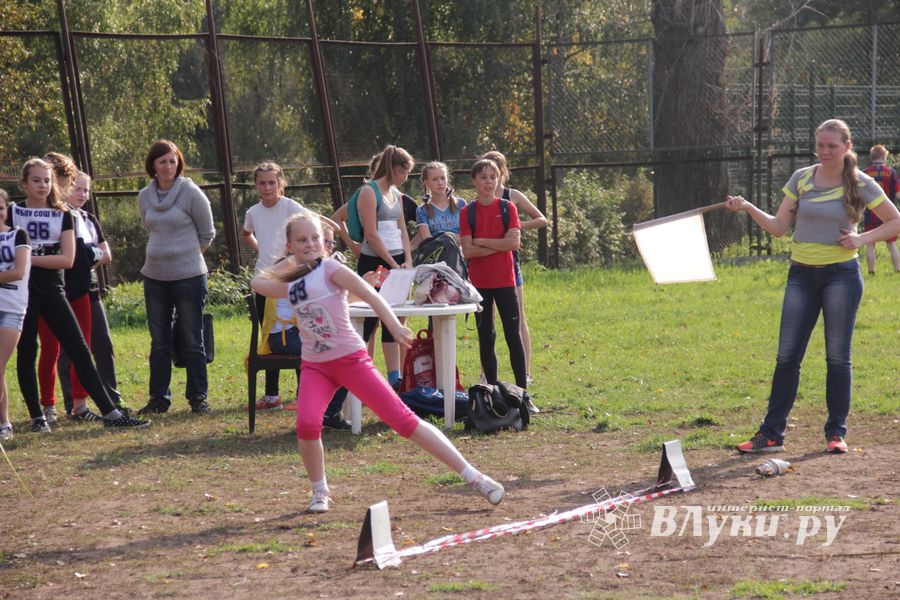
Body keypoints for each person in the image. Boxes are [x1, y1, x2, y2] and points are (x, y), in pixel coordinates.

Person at [251, 212, 504, 512]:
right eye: (302, 240)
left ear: (325, 243)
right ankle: (320, 491)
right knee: (306, 424)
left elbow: (371, 296)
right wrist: (292, 261)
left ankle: (473, 476)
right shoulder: (293, 284)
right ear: (290, 245)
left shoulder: (332, 269)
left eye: (315, 238)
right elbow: (258, 283)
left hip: (350, 361)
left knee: (404, 421)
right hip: (316, 366)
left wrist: (394, 325)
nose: (310, 244)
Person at [726, 119, 900, 455]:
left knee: (837, 357)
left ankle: (836, 433)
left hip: (842, 276)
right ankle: (771, 434)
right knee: (787, 356)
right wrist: (747, 207)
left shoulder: (861, 182)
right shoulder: (802, 178)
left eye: (832, 146)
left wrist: (862, 238)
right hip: (801, 276)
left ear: (847, 147)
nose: (824, 151)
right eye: (820, 145)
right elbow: (778, 227)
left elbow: (895, 219)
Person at [10, 159, 149, 431]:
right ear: (23, 184)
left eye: (47, 180)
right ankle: (38, 417)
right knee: (28, 351)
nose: (42, 186)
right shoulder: (12, 213)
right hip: (22, 292)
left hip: (53, 290)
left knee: (80, 349)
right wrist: (23, 264)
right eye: (36, 180)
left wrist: (26, 259)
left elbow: (67, 259)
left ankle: (110, 414)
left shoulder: (63, 214)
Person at [136, 140, 215, 416]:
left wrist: (187, 257)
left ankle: (198, 397)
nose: (168, 166)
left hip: (189, 276)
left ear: (178, 162)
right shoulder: (144, 196)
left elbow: (207, 233)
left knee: (192, 337)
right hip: (154, 276)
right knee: (159, 341)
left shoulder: (191, 192)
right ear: (153, 167)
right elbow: (149, 225)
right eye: (162, 162)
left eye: (172, 161)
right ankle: (159, 399)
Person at [460, 158, 535, 413]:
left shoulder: (507, 208)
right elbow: (468, 250)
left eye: (493, 177)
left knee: (513, 336)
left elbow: (513, 245)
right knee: (486, 337)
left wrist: (482, 241)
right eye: (483, 177)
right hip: (480, 284)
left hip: (505, 281)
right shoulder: (467, 212)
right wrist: (495, 242)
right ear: (474, 181)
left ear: (499, 179)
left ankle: (523, 394)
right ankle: (492, 395)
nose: (489, 182)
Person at [56, 171, 123, 415]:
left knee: (102, 343)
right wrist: (86, 255)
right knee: (69, 349)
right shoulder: (61, 216)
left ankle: (111, 397)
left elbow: (106, 255)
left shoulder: (89, 218)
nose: (83, 194)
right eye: (78, 189)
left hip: (91, 288)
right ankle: (71, 403)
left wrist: (87, 256)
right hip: (65, 289)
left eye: (86, 190)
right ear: (64, 188)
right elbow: (70, 256)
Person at [242, 162, 308, 411]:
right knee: (269, 335)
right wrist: (263, 250)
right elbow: (246, 233)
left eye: (272, 182)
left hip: (292, 280)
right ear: (256, 185)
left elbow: (310, 228)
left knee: (299, 332)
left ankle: (305, 394)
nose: (267, 187)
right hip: (264, 281)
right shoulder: (253, 212)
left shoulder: (292, 207)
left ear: (281, 183)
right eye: (262, 183)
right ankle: (272, 396)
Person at [480, 151, 547, 385]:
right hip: (485, 265)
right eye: (485, 173)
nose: (491, 178)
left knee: (518, 318)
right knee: (487, 320)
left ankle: (525, 372)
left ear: (502, 172)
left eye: (496, 171)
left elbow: (541, 219)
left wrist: (517, 226)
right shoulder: (479, 199)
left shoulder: (513, 196)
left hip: (510, 261)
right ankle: (486, 373)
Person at [354, 145, 414, 391]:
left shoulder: (396, 194)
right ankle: (358, 375)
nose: (406, 178)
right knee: (368, 320)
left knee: (393, 317)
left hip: (398, 262)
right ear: (397, 169)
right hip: (375, 263)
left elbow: (402, 230)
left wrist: (407, 260)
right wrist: (391, 264)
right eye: (405, 172)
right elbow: (371, 234)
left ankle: (394, 377)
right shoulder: (369, 192)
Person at [0, 189, 30, 441]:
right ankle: (5, 423)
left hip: (10, 307)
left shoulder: (18, 235)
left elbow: (18, 271)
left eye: (0, 207)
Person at [861, 144, 900, 274]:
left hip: (870, 213)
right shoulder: (891, 172)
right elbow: (898, 194)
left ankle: (871, 271)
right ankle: (898, 269)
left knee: (870, 244)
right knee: (891, 243)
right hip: (887, 214)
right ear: (884, 157)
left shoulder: (865, 173)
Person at [415, 161, 466, 242]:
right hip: (438, 253)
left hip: (462, 253)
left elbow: (468, 236)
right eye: (435, 179)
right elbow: (428, 240)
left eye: (443, 178)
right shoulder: (422, 210)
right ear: (426, 182)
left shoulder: (461, 204)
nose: (440, 183)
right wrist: (452, 238)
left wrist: (446, 238)